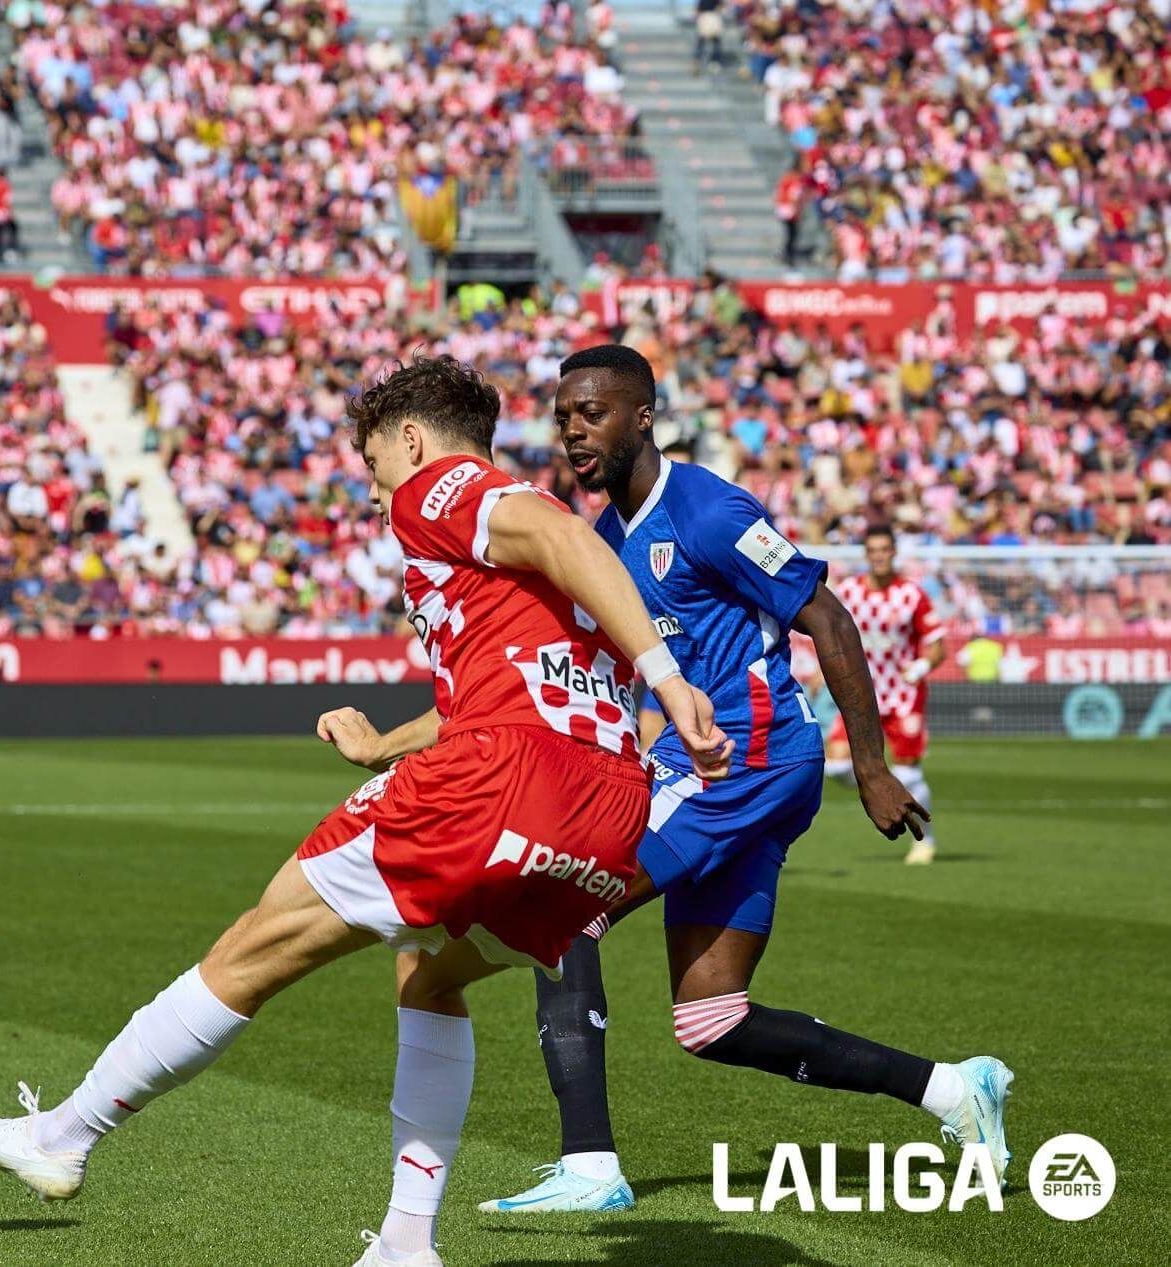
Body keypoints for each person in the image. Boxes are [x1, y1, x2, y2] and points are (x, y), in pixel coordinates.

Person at [0, 356, 731, 1267]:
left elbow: (559, 535)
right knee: (429, 977)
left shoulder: (442, 489)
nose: (374, 495)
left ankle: (64, 1136)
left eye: (373, 467)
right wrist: (384, 747)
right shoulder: (516, 581)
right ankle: (406, 1244)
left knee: (257, 942)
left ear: (410, 439)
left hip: (503, 780)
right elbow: (517, 679)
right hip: (602, 807)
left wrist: (671, 680)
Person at [325, 346, 1009, 1217]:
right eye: (564, 414)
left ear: (642, 417)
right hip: (725, 772)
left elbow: (826, 614)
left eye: (593, 412)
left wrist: (869, 765)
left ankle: (589, 1165)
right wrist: (391, 742)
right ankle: (956, 1089)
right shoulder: (601, 545)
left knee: (565, 899)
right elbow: (531, 681)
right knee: (710, 1017)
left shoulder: (711, 511)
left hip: (750, 760)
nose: (574, 429)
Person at [826, 526, 947, 864]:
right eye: (873, 550)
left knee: (910, 773)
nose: (879, 555)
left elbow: (938, 647)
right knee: (835, 766)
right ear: (867, 554)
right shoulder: (848, 592)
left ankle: (925, 841)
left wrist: (921, 667)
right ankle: (876, 782)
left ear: (894, 552)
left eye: (885, 549)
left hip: (903, 697)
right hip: (860, 692)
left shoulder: (912, 595)